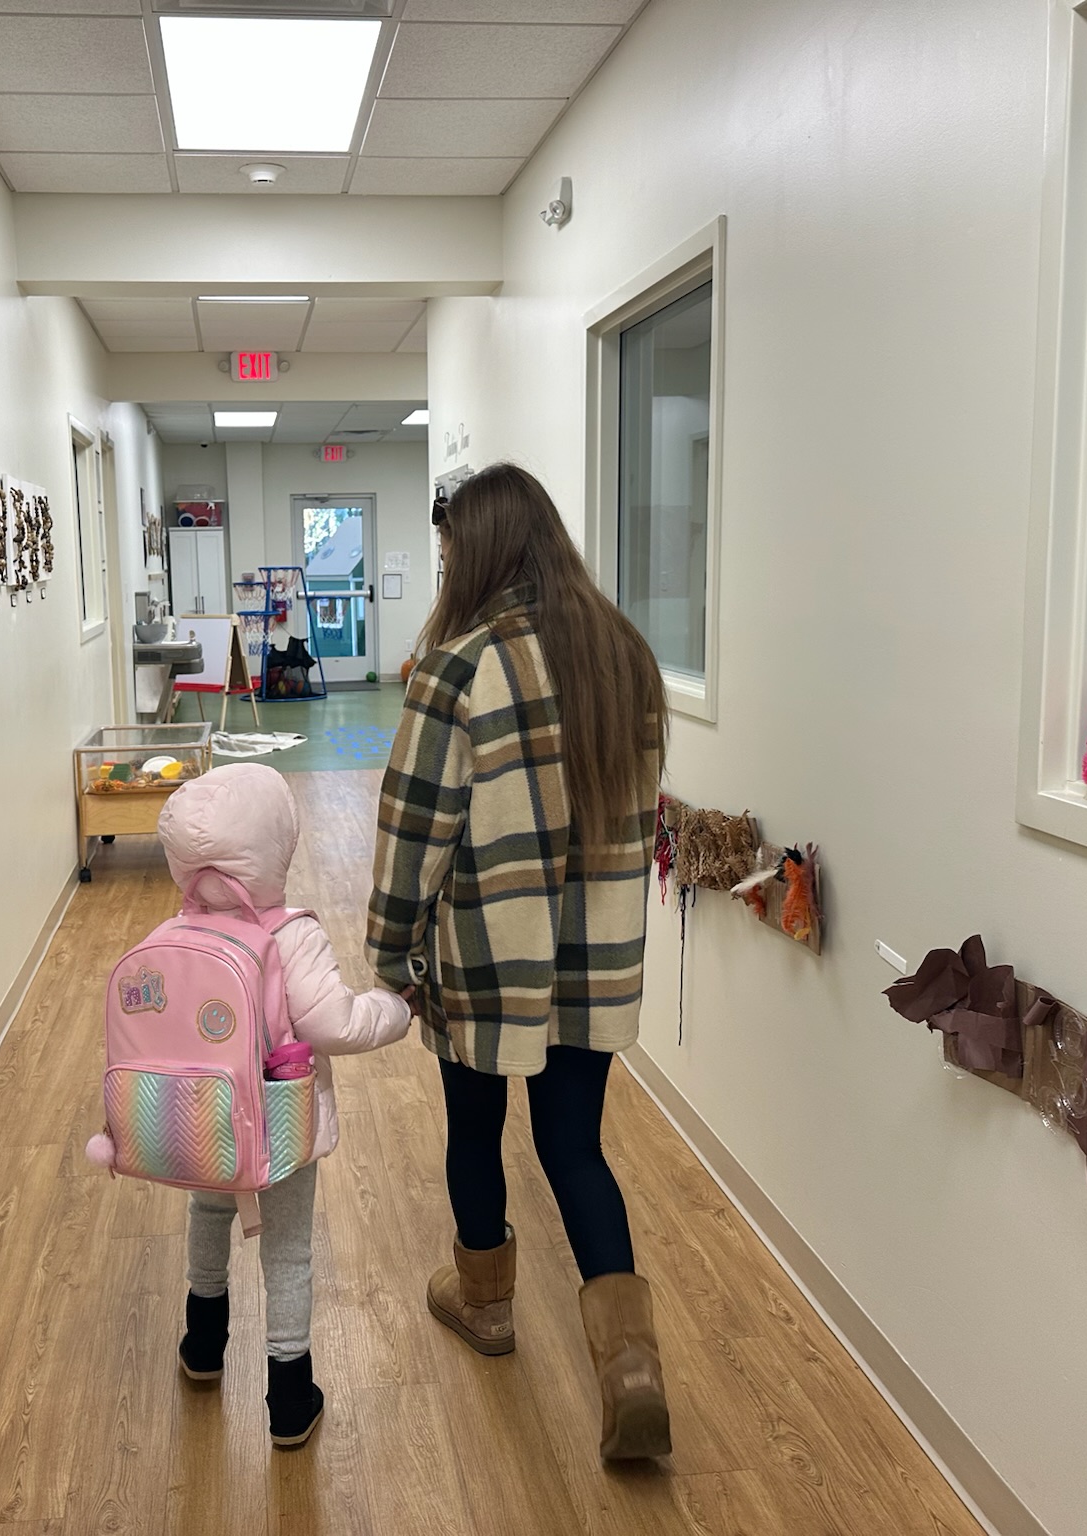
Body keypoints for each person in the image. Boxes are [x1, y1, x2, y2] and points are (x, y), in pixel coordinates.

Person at [367, 463, 672, 1461]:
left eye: (452, 549)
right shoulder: (622, 654)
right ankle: (629, 1370)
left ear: (482, 549)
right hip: (594, 955)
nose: (447, 566)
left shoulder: (458, 665)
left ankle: (485, 1302)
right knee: (574, 1145)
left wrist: (390, 952)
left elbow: (415, 827)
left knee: (474, 1124)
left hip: (488, 955)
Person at [154, 764, 412, 1448]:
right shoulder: (289, 934)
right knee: (290, 1249)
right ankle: (290, 1394)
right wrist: (394, 1009)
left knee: (208, 1212)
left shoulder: (178, 927)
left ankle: (203, 1344)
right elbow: (334, 1024)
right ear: (276, 848)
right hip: (279, 1121)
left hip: (201, 1121)